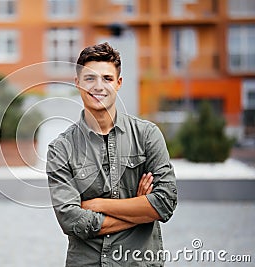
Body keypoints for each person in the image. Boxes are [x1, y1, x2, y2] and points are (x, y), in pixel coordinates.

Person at [46, 42, 177, 266]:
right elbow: (72, 221)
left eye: (107, 78)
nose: (99, 86)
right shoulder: (61, 149)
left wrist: (97, 204)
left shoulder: (147, 136)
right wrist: (140, 207)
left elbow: (164, 203)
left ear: (118, 83)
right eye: (90, 79)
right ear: (77, 83)